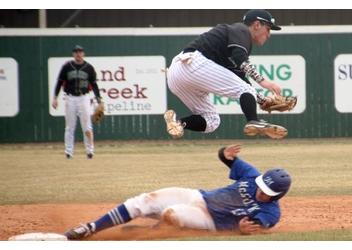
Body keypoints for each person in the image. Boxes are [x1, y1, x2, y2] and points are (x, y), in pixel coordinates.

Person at [64, 144, 292, 240]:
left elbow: (259, 227)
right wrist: (226, 153)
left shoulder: (270, 212)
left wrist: (242, 230)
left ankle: (146, 233)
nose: (261, 191)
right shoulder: (252, 176)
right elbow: (225, 158)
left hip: (208, 219)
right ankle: (90, 228)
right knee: (144, 201)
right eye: (262, 185)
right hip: (198, 196)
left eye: (266, 191)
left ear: (277, 195)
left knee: (172, 213)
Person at [164, 9, 287, 139]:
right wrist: (265, 82)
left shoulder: (236, 38)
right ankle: (253, 121)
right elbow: (241, 61)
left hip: (175, 75)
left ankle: (177, 123)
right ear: (257, 25)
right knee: (245, 89)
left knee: (212, 121)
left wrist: (261, 100)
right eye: (268, 29)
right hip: (194, 63)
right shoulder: (241, 30)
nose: (269, 34)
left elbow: (241, 79)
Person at [52, 45, 102, 159]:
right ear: (73, 54)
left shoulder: (89, 68)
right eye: (76, 52)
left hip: (84, 98)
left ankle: (90, 151)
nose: (78, 54)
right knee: (70, 127)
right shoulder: (66, 67)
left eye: (80, 52)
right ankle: (68, 152)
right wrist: (55, 97)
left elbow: (94, 84)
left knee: (87, 127)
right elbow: (59, 82)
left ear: (83, 54)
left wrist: (99, 99)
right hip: (70, 98)